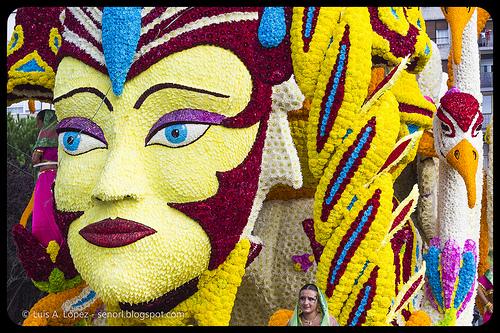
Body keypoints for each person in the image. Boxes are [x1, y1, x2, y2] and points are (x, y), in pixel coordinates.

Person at [31, 108, 63, 247]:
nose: (37, 126)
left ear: (43, 121)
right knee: (53, 210)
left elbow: (35, 160)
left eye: (38, 122)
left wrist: (38, 147)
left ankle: (46, 243)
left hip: (46, 178)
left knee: (43, 213)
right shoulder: (61, 137)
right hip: (59, 177)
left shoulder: (44, 138)